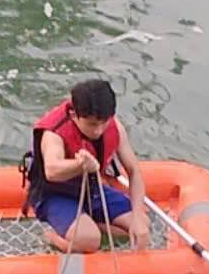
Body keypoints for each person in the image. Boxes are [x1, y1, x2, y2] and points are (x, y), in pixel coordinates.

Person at [24, 78, 149, 253]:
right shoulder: (54, 133)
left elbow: (134, 171)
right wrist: (80, 164)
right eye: (91, 125)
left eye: (103, 123)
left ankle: (89, 224)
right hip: (54, 195)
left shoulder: (114, 126)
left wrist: (136, 218)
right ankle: (54, 238)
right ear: (75, 116)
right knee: (90, 241)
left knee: (141, 222)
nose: (98, 131)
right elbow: (51, 170)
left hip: (91, 189)